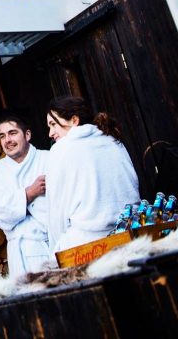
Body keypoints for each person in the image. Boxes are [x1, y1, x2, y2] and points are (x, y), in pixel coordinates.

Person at [45, 96, 140, 252]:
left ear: (74, 120)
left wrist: (57, 249)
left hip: (88, 245)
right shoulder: (113, 141)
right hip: (130, 234)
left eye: (53, 124)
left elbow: (57, 209)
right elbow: (133, 185)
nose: (50, 133)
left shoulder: (60, 149)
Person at [0, 115, 54, 276]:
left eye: (12, 133)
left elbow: (62, 204)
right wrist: (29, 194)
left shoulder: (49, 159)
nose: (7, 140)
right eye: (2, 136)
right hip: (20, 252)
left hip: (54, 245)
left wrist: (18, 205)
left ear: (27, 135)